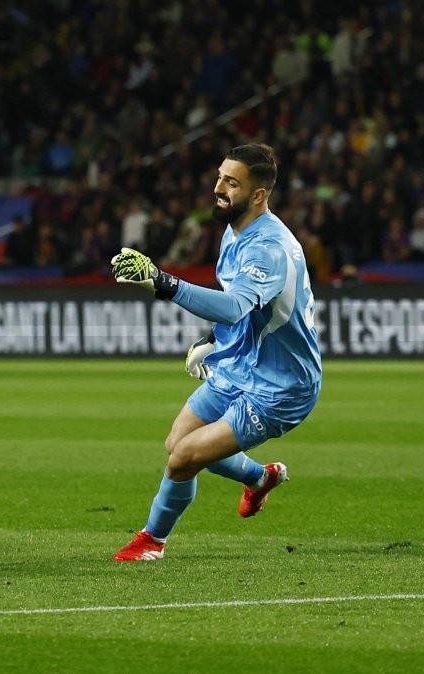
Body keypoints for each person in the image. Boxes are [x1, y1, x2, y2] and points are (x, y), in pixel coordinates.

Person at [109, 143, 321, 561]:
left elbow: (236, 305)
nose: (218, 188)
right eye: (220, 176)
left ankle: (152, 541)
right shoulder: (234, 229)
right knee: (178, 443)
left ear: (259, 195)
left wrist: (161, 281)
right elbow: (241, 307)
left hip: (282, 385)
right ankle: (260, 479)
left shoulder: (268, 248)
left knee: (184, 457)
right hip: (244, 362)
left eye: (231, 182)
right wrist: (213, 339)